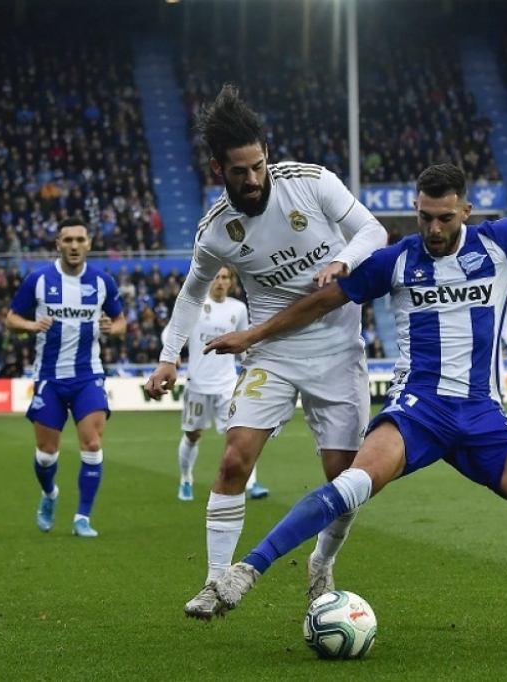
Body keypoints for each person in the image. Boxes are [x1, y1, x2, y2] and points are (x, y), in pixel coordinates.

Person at [197, 162, 507, 639]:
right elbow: (321, 301)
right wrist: (254, 334)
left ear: (465, 212)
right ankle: (248, 570)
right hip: (419, 408)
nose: (432, 228)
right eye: (424, 217)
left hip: (482, 414)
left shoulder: (500, 243)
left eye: (443, 217)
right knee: (353, 481)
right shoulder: (395, 261)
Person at [144, 85, 388, 616]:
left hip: (339, 351)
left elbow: (373, 228)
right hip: (273, 354)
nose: (253, 179)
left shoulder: (312, 183)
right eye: (240, 171)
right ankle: (215, 583)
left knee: (346, 479)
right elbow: (190, 292)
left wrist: (344, 261)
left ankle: (321, 563)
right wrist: (169, 355)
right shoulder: (216, 232)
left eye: (259, 166)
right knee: (233, 460)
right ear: (218, 170)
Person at [5, 216, 127, 538]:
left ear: (89, 244)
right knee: (46, 456)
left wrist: (111, 329)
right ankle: (50, 495)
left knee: (93, 443)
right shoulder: (38, 280)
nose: (74, 246)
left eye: (80, 240)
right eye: (68, 240)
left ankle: (82, 518)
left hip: (89, 375)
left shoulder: (102, 282)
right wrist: (32, 326)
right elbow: (11, 318)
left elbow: (121, 321)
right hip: (49, 377)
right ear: (58, 244)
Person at [163, 266, 268, 502]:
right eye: (216, 277)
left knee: (242, 433)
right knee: (193, 435)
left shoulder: (238, 309)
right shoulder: (195, 306)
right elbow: (170, 332)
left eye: (224, 278)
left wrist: (251, 368)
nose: (220, 282)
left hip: (226, 385)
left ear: (231, 282)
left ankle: (251, 484)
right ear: (210, 280)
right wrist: (172, 354)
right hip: (198, 384)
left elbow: (243, 342)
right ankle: (186, 479)